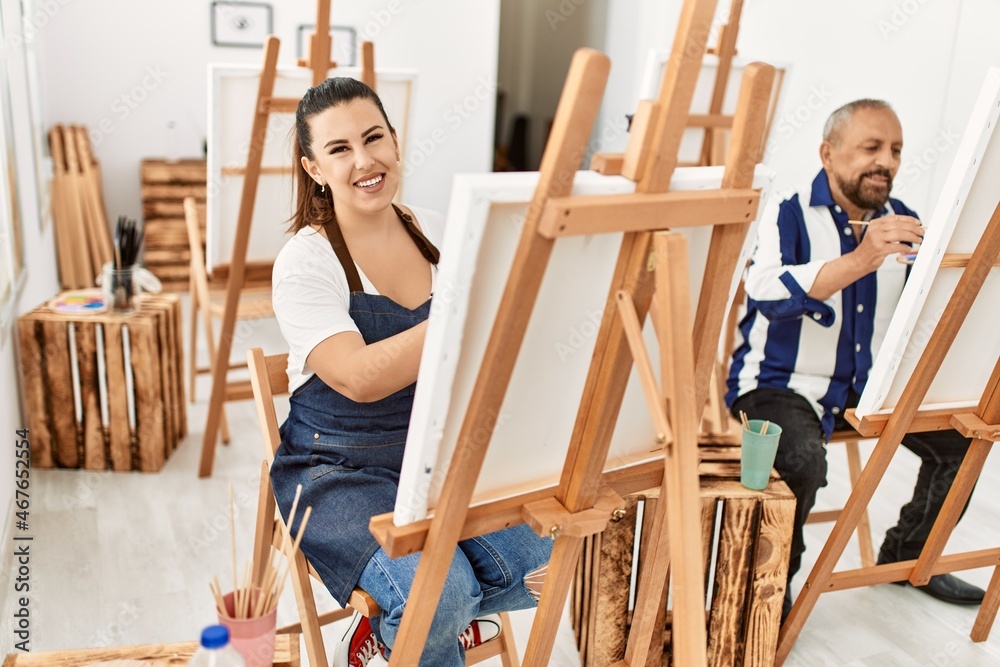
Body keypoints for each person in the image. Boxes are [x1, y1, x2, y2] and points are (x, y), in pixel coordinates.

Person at [270, 77, 552, 667]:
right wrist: (464, 315)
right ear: (314, 167)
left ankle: (407, 634)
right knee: (437, 591)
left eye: (374, 139)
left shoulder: (439, 231)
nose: (364, 160)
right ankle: (429, 623)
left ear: (396, 143)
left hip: (432, 456)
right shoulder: (305, 259)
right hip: (337, 468)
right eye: (339, 149)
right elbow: (358, 376)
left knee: (540, 562)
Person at [726, 99, 985, 620]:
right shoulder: (785, 211)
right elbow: (763, 292)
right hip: (779, 383)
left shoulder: (901, 218)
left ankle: (908, 555)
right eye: (870, 148)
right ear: (828, 153)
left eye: (894, 150)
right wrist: (860, 260)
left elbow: (923, 311)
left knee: (964, 440)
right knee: (801, 460)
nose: (885, 161)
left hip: (868, 388)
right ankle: (772, 596)